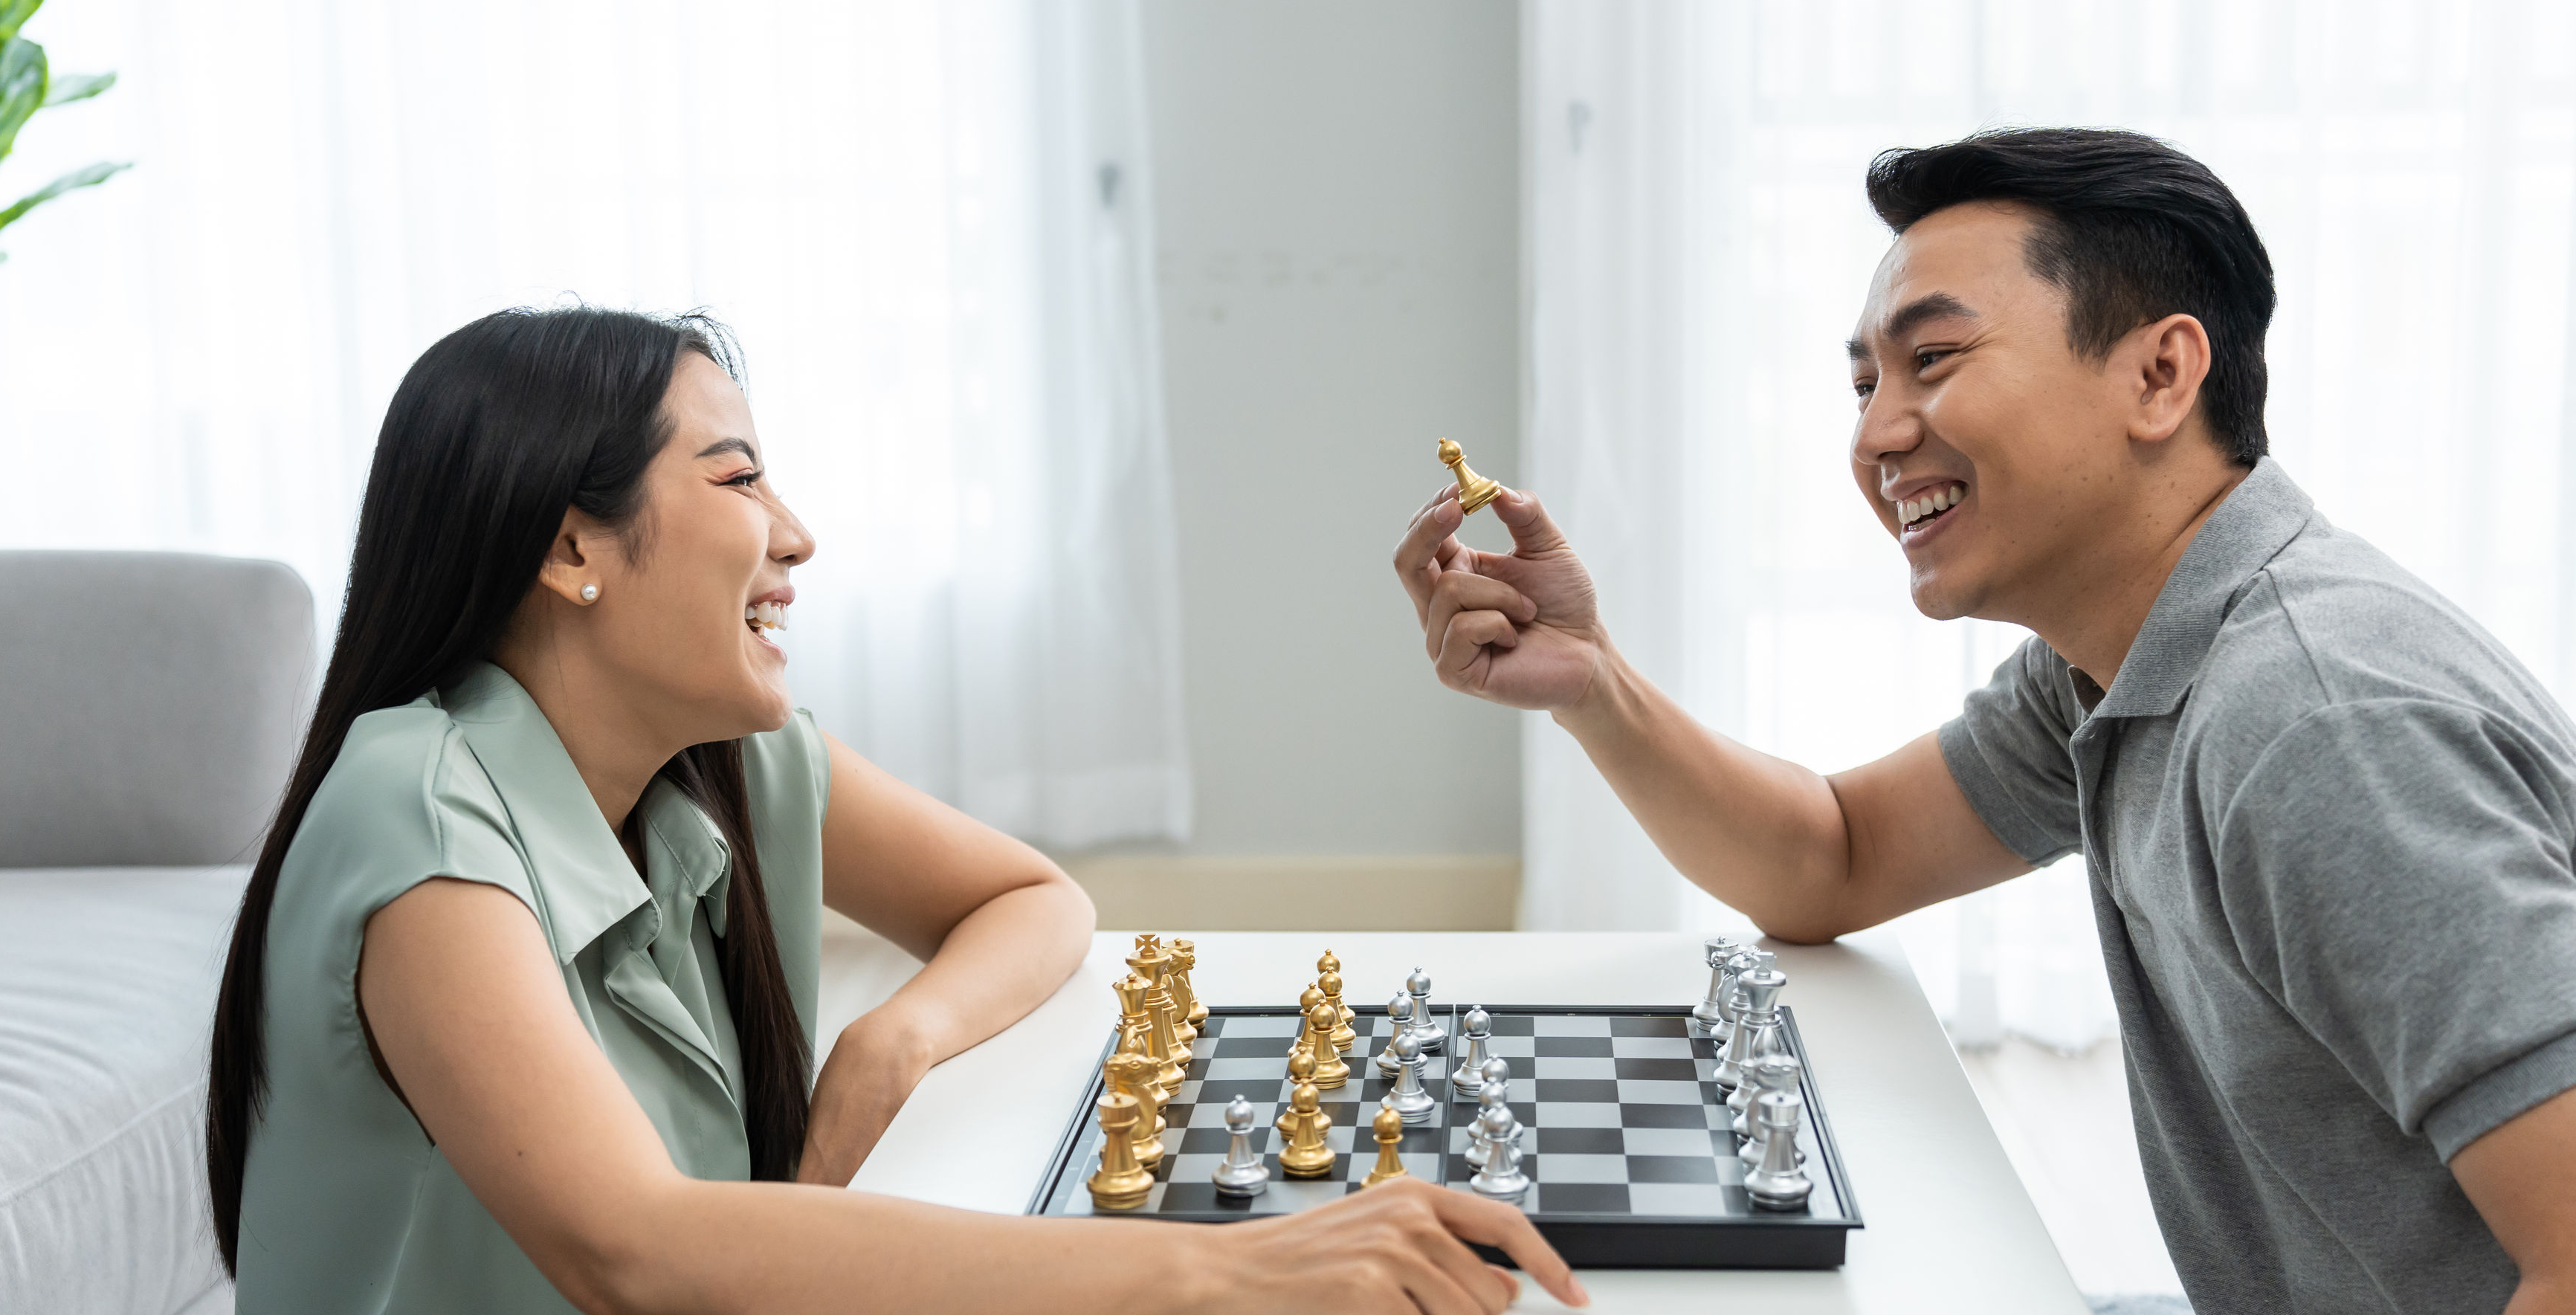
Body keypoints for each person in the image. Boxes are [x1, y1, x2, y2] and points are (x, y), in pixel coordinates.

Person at [1392, 129, 2576, 1315]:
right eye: (1862, 383)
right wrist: (1594, 682)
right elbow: (1837, 858)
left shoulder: (2318, 725)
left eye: (1933, 358)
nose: (1877, 433)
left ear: (2162, 375)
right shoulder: (2123, 661)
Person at [208, 306, 1584, 1315]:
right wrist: (1222, 1266)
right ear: (573, 546)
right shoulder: (419, 808)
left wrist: (894, 1036)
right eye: (740, 479)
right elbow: (632, 1249)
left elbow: (1036, 900)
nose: (795, 536)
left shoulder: (731, 764)